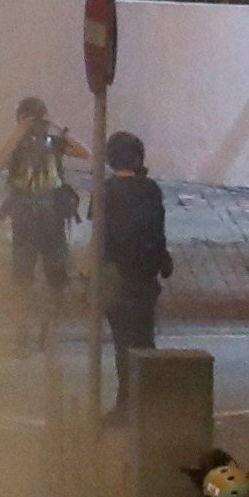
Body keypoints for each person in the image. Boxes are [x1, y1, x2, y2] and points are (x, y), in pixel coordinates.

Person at [0, 100, 83, 352]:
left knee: (54, 277)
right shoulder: (18, 143)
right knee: (23, 278)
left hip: (50, 214)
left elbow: (84, 152)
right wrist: (18, 133)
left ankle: (47, 330)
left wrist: (59, 129)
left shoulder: (53, 142)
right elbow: (0, 162)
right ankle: (24, 333)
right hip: (28, 215)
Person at [94, 132, 171, 368]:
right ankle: (145, 397)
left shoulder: (105, 190)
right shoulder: (151, 189)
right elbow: (158, 230)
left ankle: (125, 399)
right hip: (145, 278)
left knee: (122, 344)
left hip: (116, 278)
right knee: (144, 341)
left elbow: (99, 237)